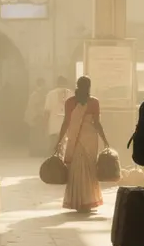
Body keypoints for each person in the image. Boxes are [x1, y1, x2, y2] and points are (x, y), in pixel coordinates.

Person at [55, 76, 110, 212]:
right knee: (90, 170)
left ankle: (76, 201)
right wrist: (105, 140)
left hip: (74, 138)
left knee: (75, 170)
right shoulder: (94, 102)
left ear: (77, 86)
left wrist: (59, 140)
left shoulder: (70, 102)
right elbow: (97, 123)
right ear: (89, 86)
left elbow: (66, 123)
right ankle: (88, 200)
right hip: (90, 139)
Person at [44, 76, 72, 150]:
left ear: (57, 83)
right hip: (67, 124)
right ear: (66, 83)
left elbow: (47, 110)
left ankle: (54, 159)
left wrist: (45, 123)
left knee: (54, 145)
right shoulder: (71, 93)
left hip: (54, 124)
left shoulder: (50, 94)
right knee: (66, 145)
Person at [25, 77, 48, 154]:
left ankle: (36, 151)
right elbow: (36, 106)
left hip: (36, 117)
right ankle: (34, 151)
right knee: (35, 135)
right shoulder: (36, 94)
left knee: (37, 135)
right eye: (44, 84)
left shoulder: (37, 94)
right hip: (36, 117)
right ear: (41, 84)